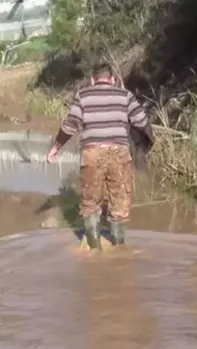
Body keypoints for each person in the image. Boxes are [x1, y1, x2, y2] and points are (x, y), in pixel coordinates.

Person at [46, 62, 153, 250]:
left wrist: (56, 147)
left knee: (90, 202)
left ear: (93, 79)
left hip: (92, 152)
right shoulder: (125, 95)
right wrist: (145, 144)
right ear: (112, 79)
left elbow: (70, 125)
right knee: (120, 202)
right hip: (119, 152)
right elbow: (142, 122)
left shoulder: (83, 96)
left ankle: (94, 247)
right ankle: (119, 247)